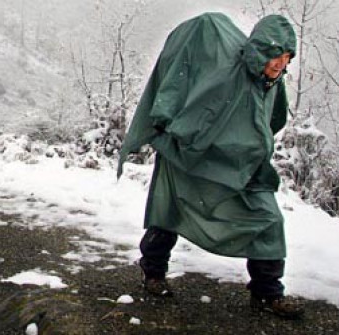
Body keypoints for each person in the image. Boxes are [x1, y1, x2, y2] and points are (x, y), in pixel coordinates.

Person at [116, 13, 304, 319]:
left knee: (269, 220)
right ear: (260, 51)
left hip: (243, 168)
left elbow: (273, 120)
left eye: (286, 58)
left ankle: (268, 292)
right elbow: (191, 102)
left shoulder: (272, 84)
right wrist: (171, 129)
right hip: (191, 158)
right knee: (168, 211)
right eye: (274, 56)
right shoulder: (228, 76)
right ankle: (153, 272)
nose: (279, 64)